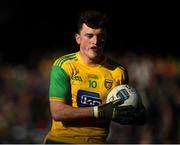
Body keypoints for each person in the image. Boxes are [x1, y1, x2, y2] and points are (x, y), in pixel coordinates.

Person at [44, 10, 146, 144]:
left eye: (101, 36)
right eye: (89, 36)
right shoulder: (64, 66)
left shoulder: (118, 72)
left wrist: (137, 115)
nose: (95, 41)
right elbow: (57, 112)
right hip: (61, 141)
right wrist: (99, 111)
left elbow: (135, 112)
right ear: (78, 38)